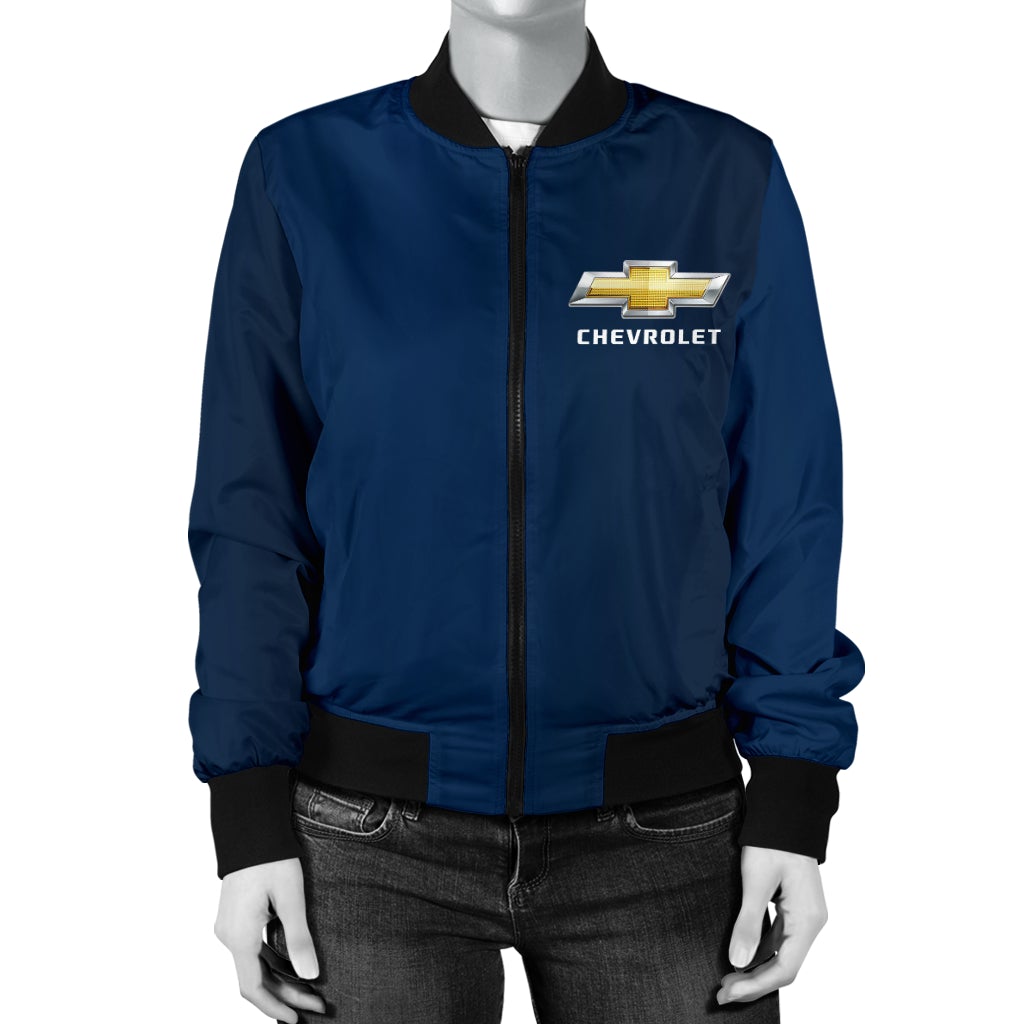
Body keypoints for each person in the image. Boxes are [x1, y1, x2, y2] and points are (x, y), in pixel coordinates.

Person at [187, 3, 865, 1021]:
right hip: (368, 841)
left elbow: (788, 503)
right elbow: (250, 512)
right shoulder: (308, 174)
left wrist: (793, 790)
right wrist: (246, 816)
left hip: (667, 835)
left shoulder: (720, 176)